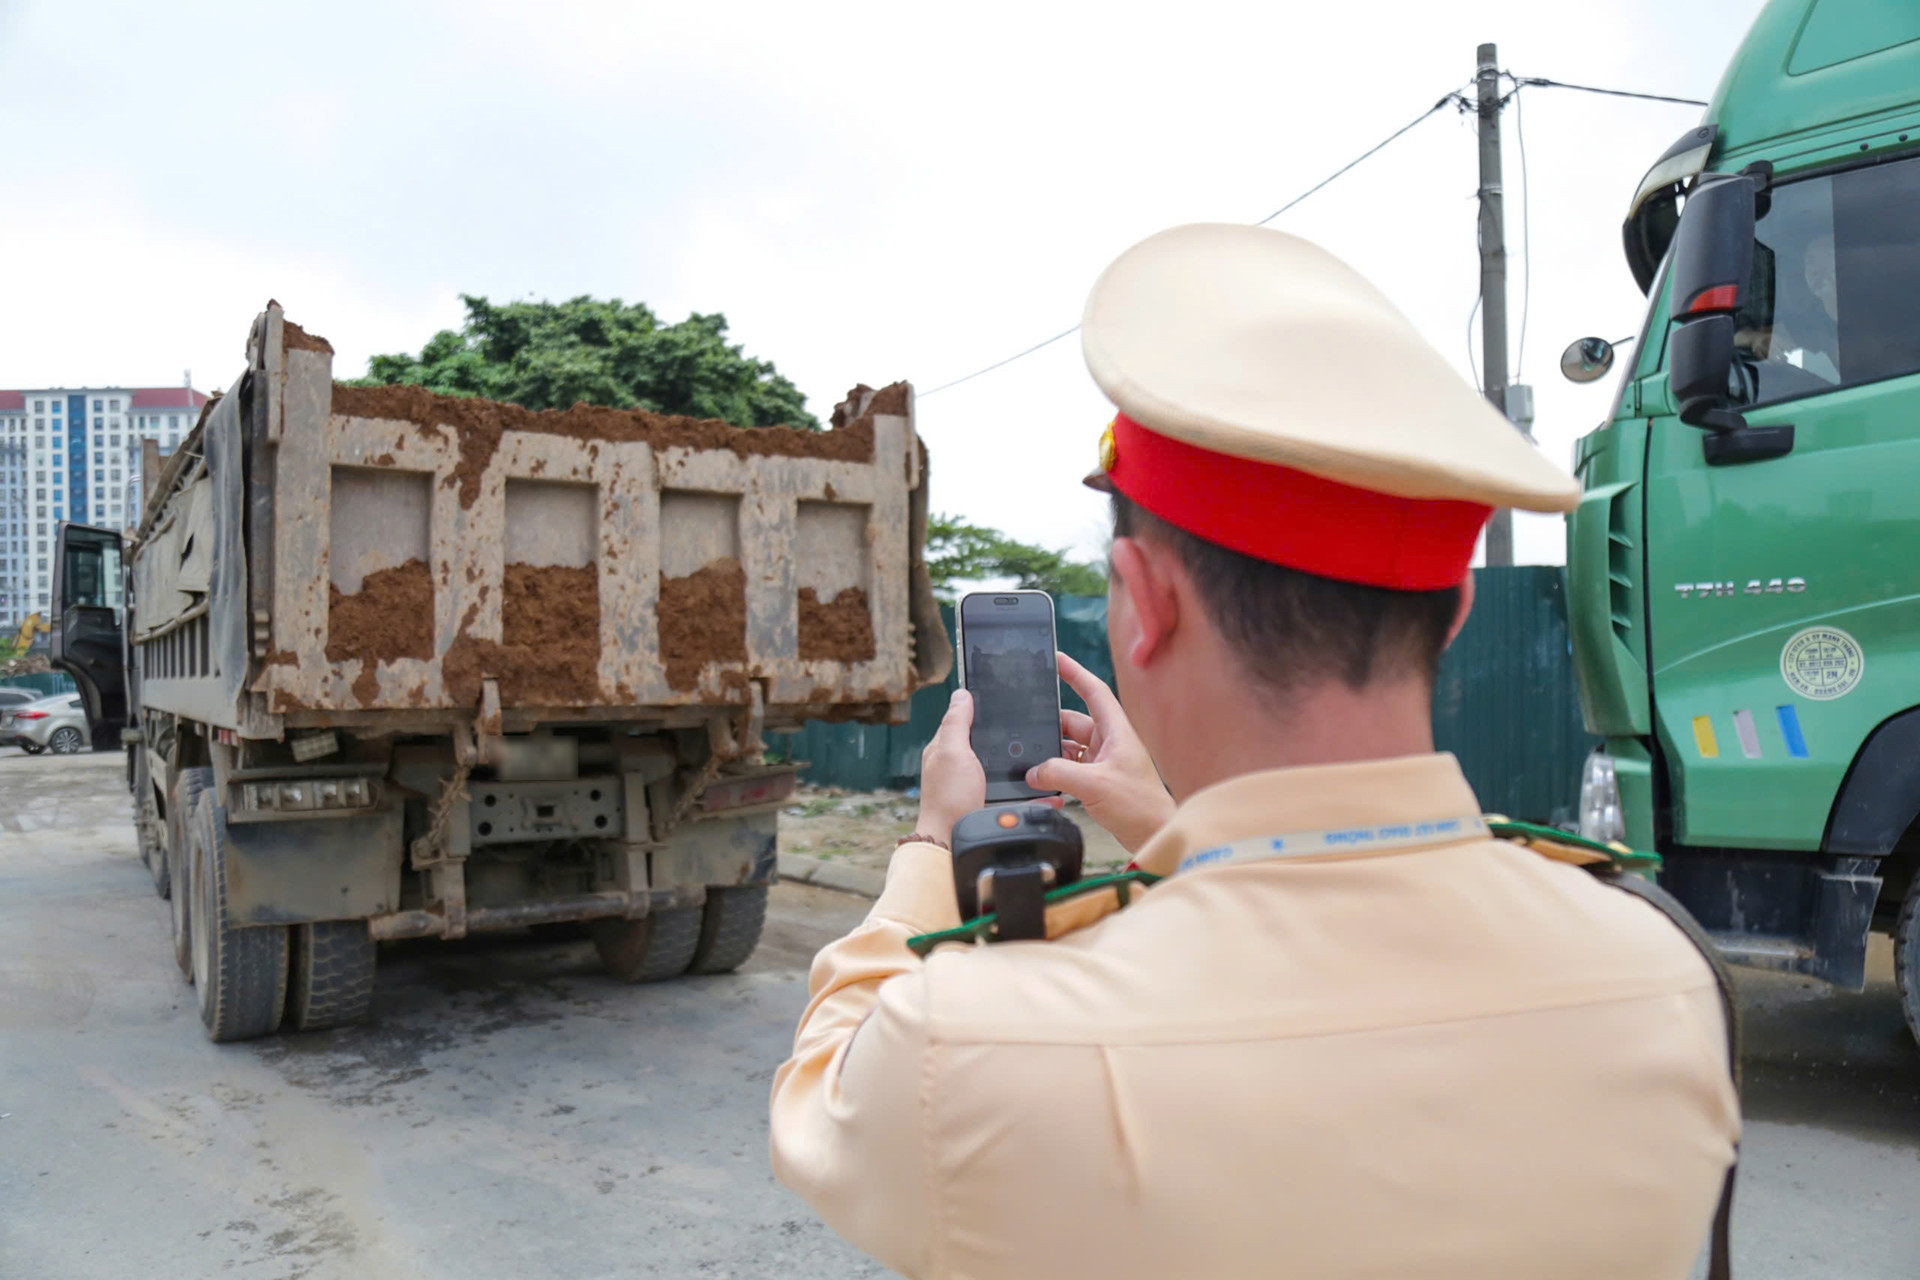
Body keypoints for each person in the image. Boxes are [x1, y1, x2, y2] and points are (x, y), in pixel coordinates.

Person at [769, 224, 1739, 1279]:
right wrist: (1167, 827)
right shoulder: (1663, 981)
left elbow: (824, 1087)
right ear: (1456, 608)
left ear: (1144, 604)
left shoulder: (971, 1048)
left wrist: (932, 842)